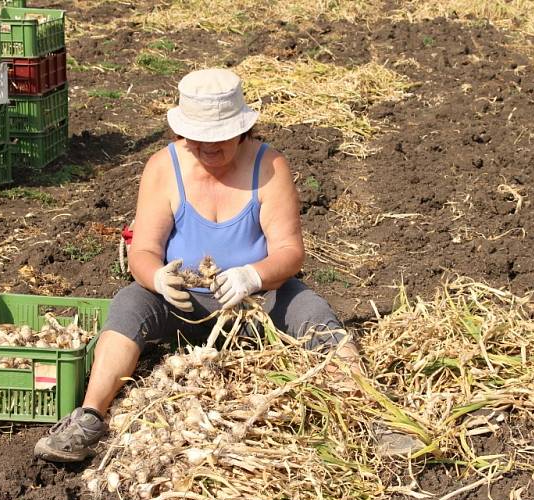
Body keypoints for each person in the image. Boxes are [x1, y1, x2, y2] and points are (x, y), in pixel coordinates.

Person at [34, 68, 359, 463]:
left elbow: (291, 252)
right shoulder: (163, 168)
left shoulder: (269, 166)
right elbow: (143, 251)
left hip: (257, 306)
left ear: (241, 131)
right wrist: (157, 277)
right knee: (128, 304)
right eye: (198, 137)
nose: (208, 146)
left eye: (219, 137)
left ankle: (369, 410)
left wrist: (252, 275)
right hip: (183, 308)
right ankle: (88, 418)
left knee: (312, 310)